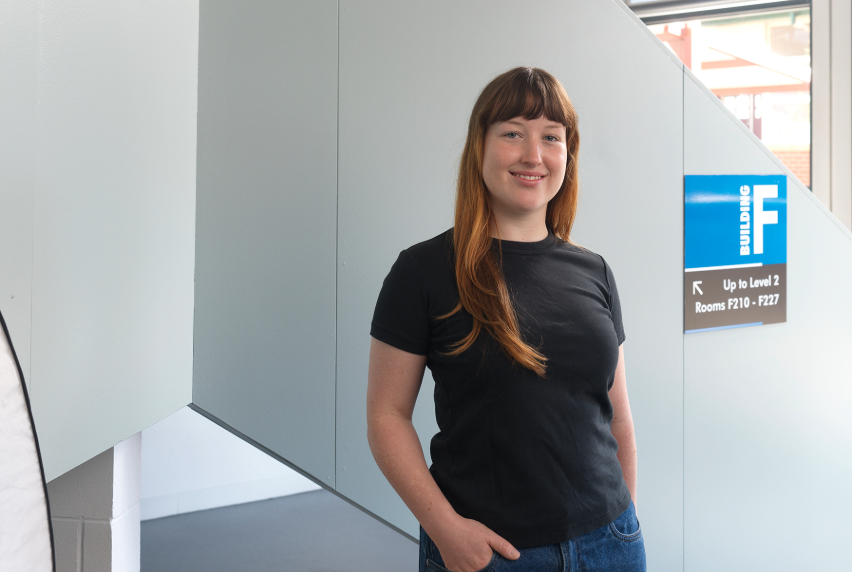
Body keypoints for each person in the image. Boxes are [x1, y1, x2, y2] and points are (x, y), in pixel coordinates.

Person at [366, 67, 645, 572]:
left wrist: (623, 512)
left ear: (568, 155)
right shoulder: (423, 271)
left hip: (611, 544)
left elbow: (617, 413)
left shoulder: (595, 270)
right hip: (494, 555)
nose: (533, 155)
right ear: (481, 146)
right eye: (513, 133)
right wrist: (447, 532)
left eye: (552, 138)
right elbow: (386, 418)